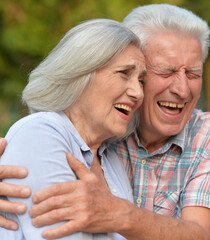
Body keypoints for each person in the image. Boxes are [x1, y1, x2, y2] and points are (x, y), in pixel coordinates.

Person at [0, 4, 210, 240]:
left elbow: (198, 235)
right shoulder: (82, 136)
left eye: (193, 74)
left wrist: (119, 214)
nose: (182, 89)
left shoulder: (107, 153)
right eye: (165, 72)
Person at [0, 18, 146, 240]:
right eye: (124, 73)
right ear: (81, 72)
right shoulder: (39, 134)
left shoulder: (110, 158)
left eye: (142, 81)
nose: (138, 92)